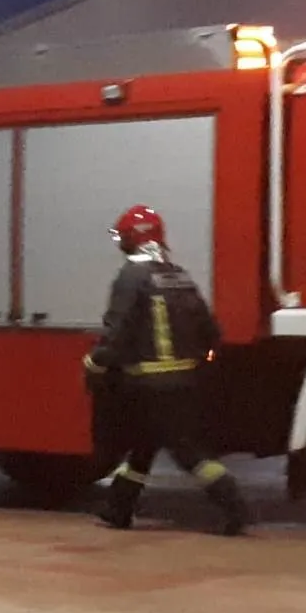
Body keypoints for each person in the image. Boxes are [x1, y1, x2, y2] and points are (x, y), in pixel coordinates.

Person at [82, 204, 250, 536]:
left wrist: (95, 363)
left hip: (148, 384)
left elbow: (117, 331)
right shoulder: (178, 274)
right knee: (144, 446)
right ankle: (119, 508)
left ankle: (233, 502)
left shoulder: (130, 277)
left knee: (186, 451)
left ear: (132, 239)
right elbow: (211, 331)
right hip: (185, 382)